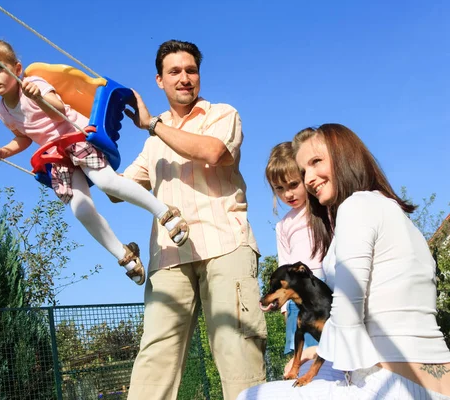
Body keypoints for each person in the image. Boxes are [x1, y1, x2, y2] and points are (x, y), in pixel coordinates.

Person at [237, 123, 450, 399]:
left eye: (316, 162)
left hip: (390, 384)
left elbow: (348, 312)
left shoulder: (356, 207)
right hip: (434, 383)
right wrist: (315, 351)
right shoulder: (390, 208)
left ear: (344, 156)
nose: (309, 178)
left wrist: (316, 355)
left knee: (250, 396)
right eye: (303, 171)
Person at [116, 39, 267, 400]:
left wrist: (151, 123)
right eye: (175, 72)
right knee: (155, 356)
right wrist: (83, 160)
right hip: (168, 258)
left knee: (237, 351)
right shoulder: (153, 142)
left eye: (191, 70)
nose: (184, 78)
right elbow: (118, 189)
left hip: (225, 247)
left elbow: (214, 152)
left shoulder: (221, 115)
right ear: (159, 80)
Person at [0, 40, 189, 285]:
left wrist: (39, 97)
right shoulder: (2, 111)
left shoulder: (33, 85)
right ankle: (124, 254)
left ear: (17, 68)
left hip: (76, 137)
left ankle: (165, 213)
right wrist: (5, 151)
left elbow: (59, 110)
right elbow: (23, 137)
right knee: (80, 209)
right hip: (56, 155)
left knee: (106, 182)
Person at [265, 142, 323, 356]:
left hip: (323, 288)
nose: (287, 194)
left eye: (293, 184)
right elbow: (284, 265)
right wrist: (284, 306)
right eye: (279, 189)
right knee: (304, 355)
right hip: (297, 300)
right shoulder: (283, 225)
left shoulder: (322, 210)